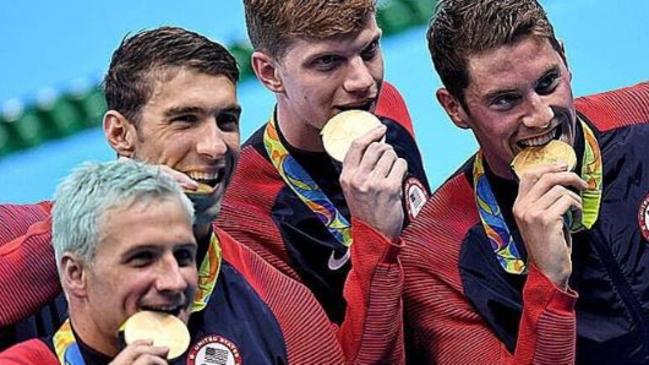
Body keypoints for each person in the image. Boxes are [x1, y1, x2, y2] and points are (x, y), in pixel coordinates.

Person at [0, 26, 389, 364]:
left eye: (226, 121)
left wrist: (375, 240)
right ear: (120, 134)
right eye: (185, 120)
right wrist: (94, 228)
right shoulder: (19, 234)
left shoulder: (282, 306)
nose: (215, 146)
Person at [400, 0, 649, 364]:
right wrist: (548, 282)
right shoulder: (434, 256)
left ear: (564, 58)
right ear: (454, 108)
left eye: (548, 83)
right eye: (505, 100)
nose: (541, 117)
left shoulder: (642, 117)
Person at [216, 1, 429, 362]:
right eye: (327, 62)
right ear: (270, 73)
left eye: (370, 50)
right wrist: (373, 239)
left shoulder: (386, 106)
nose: (363, 81)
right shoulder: (243, 212)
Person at [0, 160, 199, 364]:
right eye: (142, 259)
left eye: (183, 256)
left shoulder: (225, 340)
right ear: (75, 274)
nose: (175, 282)